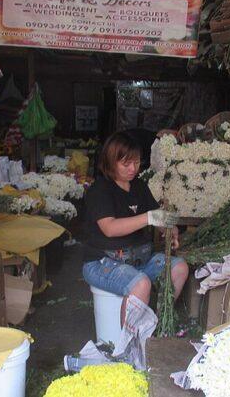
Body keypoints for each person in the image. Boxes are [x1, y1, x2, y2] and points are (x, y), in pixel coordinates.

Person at [82, 131, 189, 326]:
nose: (133, 169)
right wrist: (148, 217)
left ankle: (159, 324)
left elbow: (157, 217)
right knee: (141, 284)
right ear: (110, 161)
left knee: (179, 268)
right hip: (103, 263)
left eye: (137, 163)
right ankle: (128, 345)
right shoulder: (100, 190)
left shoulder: (139, 186)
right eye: (126, 164)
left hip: (140, 261)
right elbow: (110, 228)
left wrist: (168, 228)